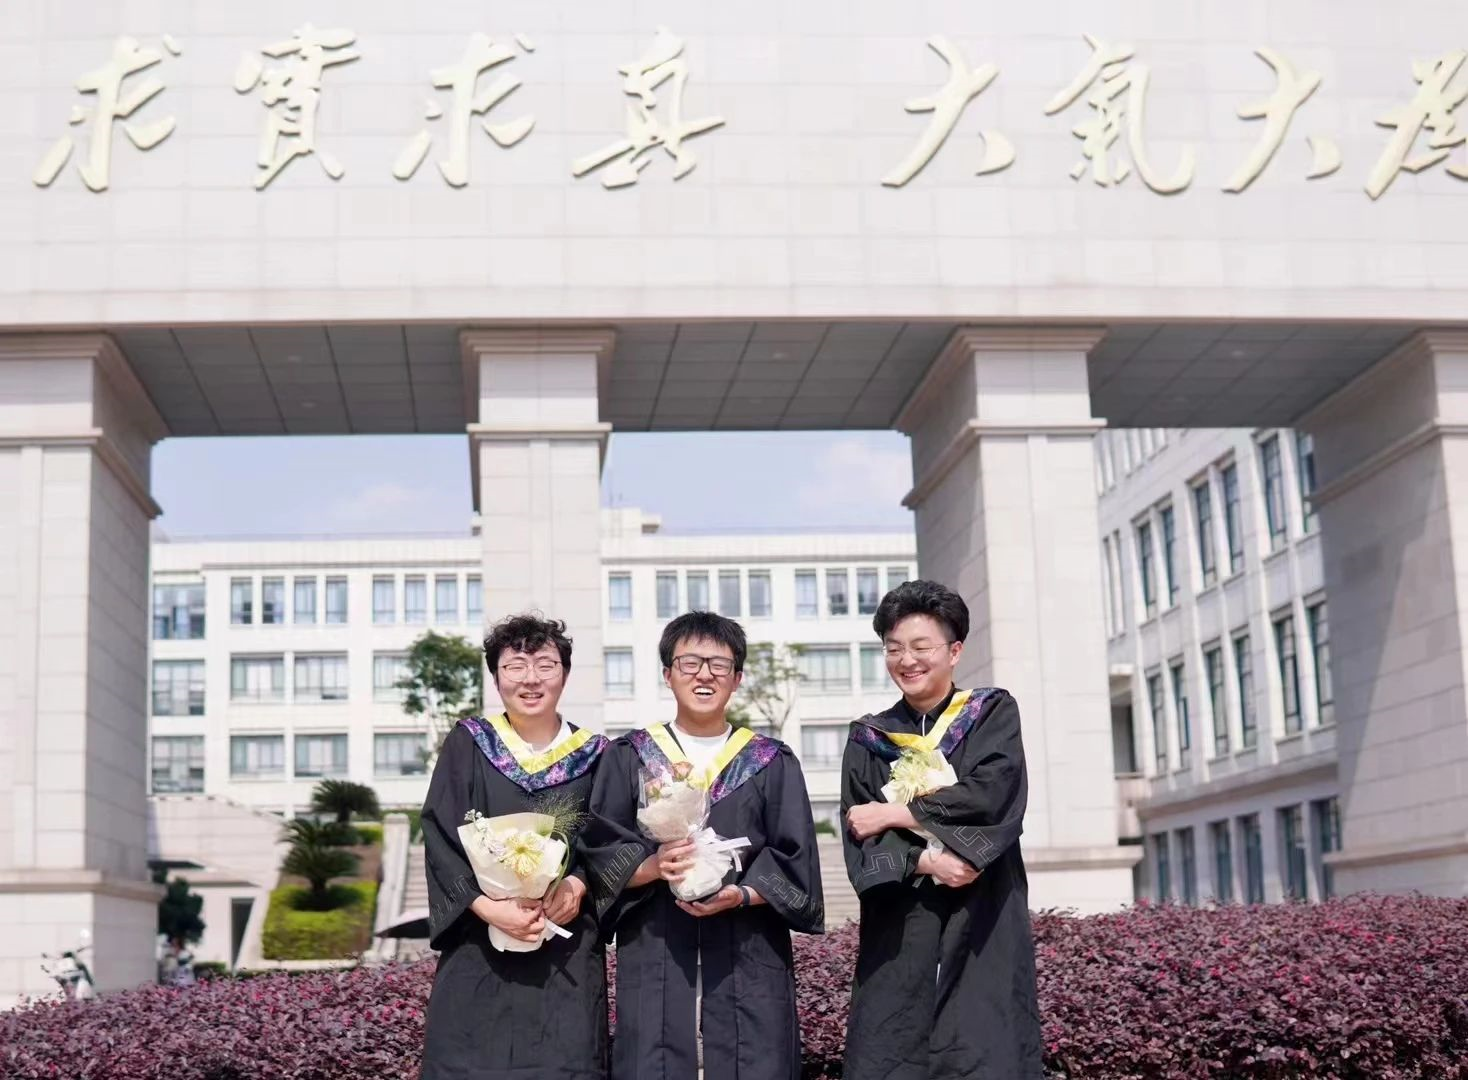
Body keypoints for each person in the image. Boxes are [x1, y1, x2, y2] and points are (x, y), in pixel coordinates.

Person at [582, 611, 824, 1080]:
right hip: (656, 943)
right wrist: (653, 866)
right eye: (690, 663)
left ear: (737, 678)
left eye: (719, 664)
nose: (704, 675)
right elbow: (598, 847)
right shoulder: (630, 756)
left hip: (746, 948)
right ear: (668, 674)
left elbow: (795, 855)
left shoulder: (770, 761)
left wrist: (743, 894)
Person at [840, 580, 1042, 1079]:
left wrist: (896, 814)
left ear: (954, 651)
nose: (906, 660)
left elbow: (993, 793)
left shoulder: (991, 714)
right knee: (892, 1046)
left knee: (985, 1044)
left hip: (984, 912)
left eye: (920, 647)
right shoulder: (869, 738)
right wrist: (926, 860)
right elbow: (859, 830)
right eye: (894, 649)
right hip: (901, 919)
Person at [420, 614, 610, 1080]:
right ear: (496, 677)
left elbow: (608, 841)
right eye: (514, 666)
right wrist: (486, 906)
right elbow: (441, 832)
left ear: (565, 674)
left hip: (564, 948)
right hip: (479, 945)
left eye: (545, 665)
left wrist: (578, 885)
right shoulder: (470, 744)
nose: (530, 679)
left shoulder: (597, 755)